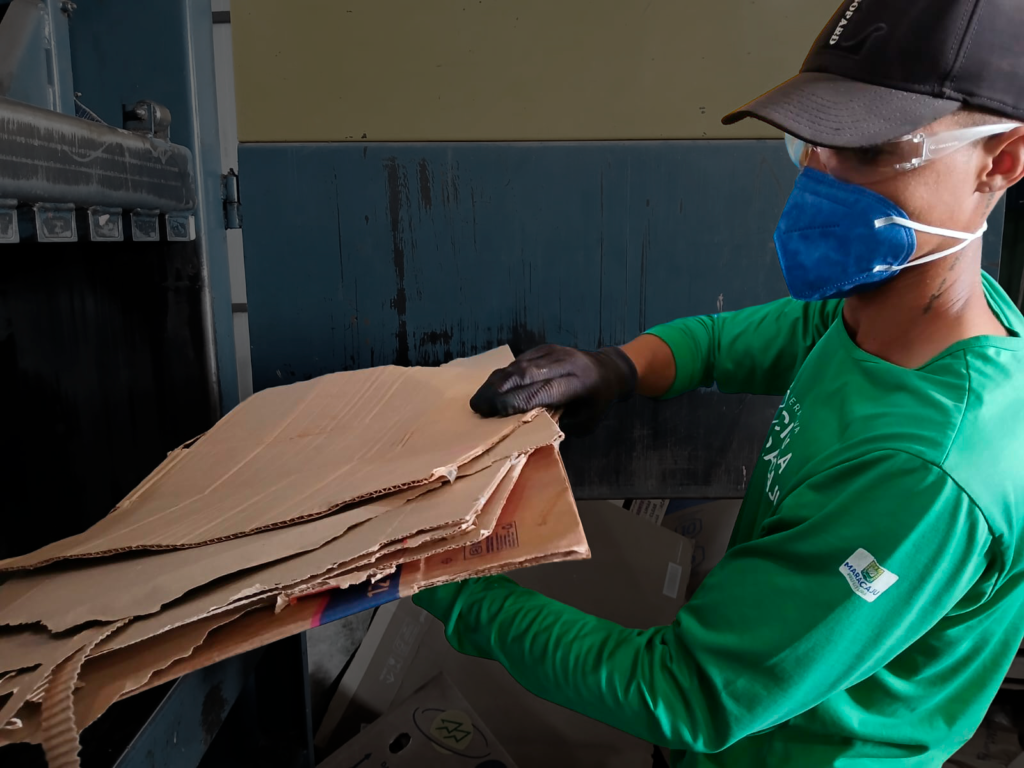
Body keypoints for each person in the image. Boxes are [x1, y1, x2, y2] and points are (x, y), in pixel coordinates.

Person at [413, 0, 1024, 765]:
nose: (819, 173)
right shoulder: (905, 319)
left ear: (1000, 159)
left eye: (870, 147)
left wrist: (439, 583)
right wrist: (620, 366)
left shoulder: (928, 473)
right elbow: (775, 335)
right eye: (814, 139)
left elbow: (688, 693)